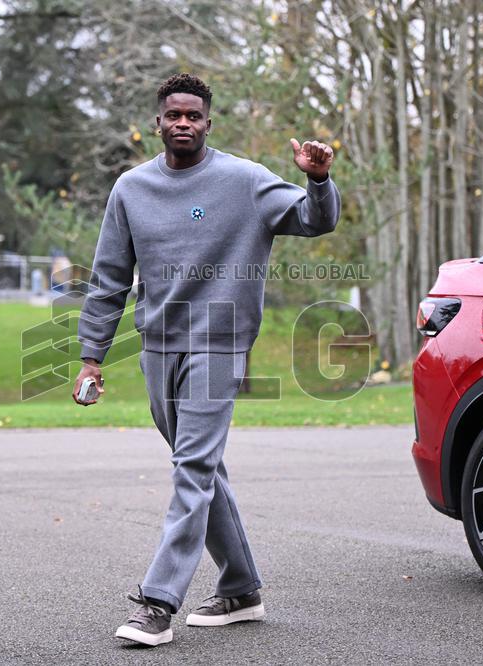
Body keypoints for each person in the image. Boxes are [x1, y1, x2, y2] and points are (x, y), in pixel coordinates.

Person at [72, 73, 340, 647]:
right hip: (157, 348)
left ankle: (157, 602)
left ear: (208, 122)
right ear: (160, 122)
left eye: (194, 115)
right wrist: (91, 356)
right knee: (202, 468)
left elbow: (316, 220)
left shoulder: (243, 181)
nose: (184, 124)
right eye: (174, 115)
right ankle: (241, 589)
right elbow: (109, 280)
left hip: (218, 345)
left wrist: (318, 180)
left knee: (191, 469)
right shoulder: (131, 189)